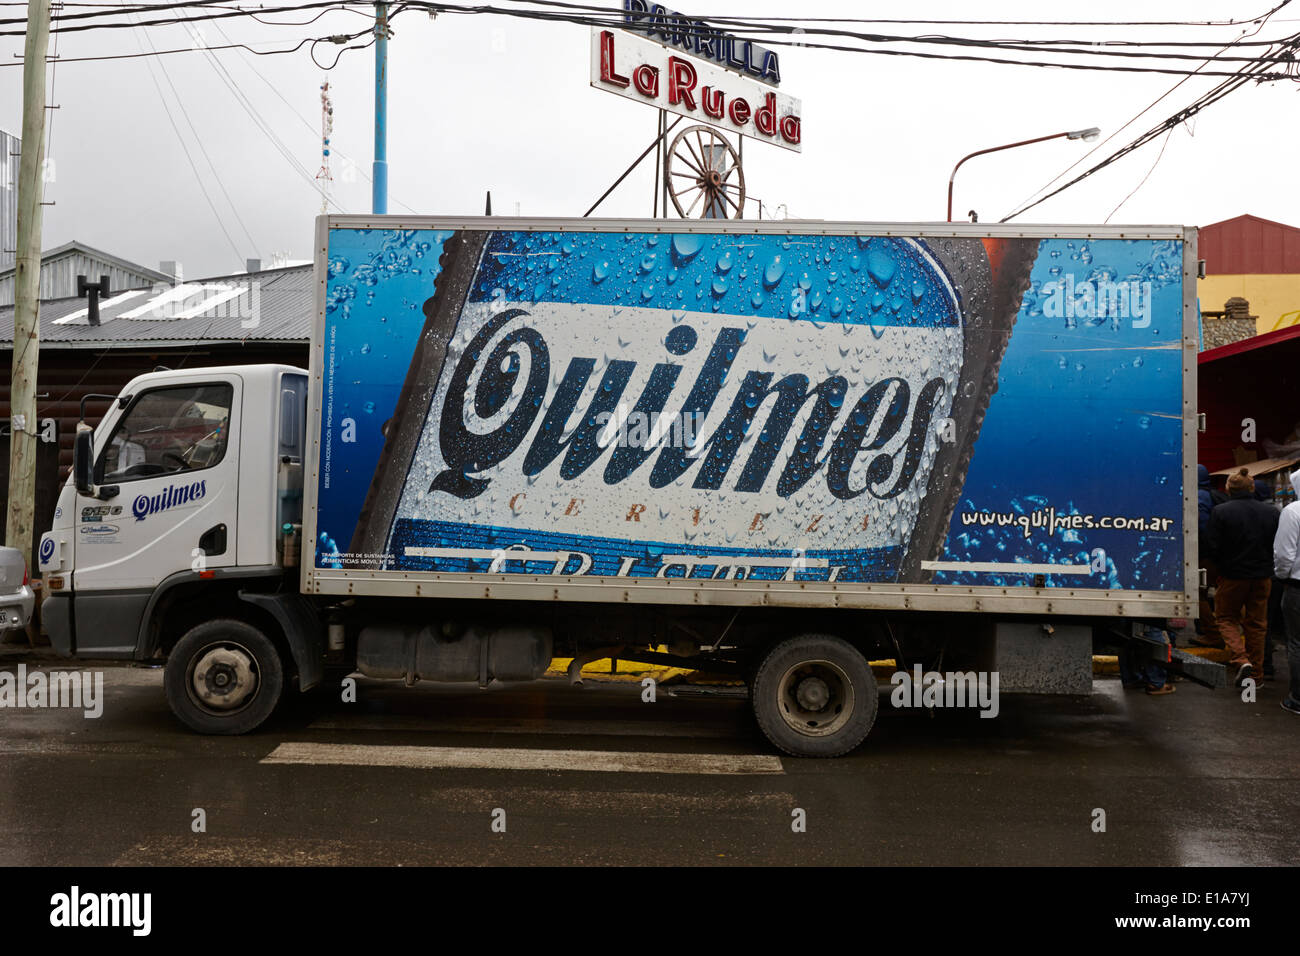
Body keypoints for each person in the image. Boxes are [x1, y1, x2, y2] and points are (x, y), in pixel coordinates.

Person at [1207, 467, 1280, 687]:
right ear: (1251, 488)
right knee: (1257, 624)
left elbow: (1213, 546)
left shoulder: (1221, 512)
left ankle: (1241, 659)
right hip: (1263, 577)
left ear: (1229, 488)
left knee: (1225, 618)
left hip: (1232, 576)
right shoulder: (1273, 512)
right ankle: (1256, 676)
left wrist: (1218, 570)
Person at [1273, 468, 1300, 715]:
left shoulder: (1293, 512)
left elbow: (1284, 555)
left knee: (1297, 643)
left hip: (1297, 587)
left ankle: (1298, 698)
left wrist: (1281, 576)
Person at [1194, 464, 1225, 648]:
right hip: (1221, 555)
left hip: (1204, 555)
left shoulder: (1197, 497)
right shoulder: (1217, 495)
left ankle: (1213, 634)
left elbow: (1199, 529)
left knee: (1197, 594)